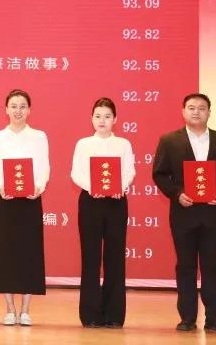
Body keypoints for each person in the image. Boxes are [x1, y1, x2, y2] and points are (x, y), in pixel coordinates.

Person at [152, 93, 216, 333]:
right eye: (191, 107)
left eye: (202, 108)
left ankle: (214, 319)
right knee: (186, 266)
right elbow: (159, 174)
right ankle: (187, 318)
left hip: (213, 215)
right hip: (184, 214)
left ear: (209, 113)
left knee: (212, 267)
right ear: (183, 112)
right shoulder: (169, 141)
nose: (196, 112)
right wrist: (177, 194)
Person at [0, 89, 49, 326]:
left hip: (31, 200)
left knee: (30, 252)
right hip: (5, 200)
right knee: (6, 253)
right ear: (6, 109)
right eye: (13, 106)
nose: (18, 111)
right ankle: (10, 308)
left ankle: (26, 309)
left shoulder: (39, 137)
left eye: (22, 106)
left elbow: (44, 167)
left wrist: (38, 187)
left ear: (29, 110)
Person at [70, 97, 135, 328]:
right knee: (90, 257)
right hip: (91, 202)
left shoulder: (123, 144)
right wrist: (93, 188)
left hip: (116, 203)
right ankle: (90, 314)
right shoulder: (83, 144)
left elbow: (129, 171)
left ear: (115, 119)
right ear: (91, 119)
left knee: (115, 257)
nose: (102, 120)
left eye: (107, 116)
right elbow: (76, 173)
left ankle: (114, 314)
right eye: (98, 116)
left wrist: (120, 187)